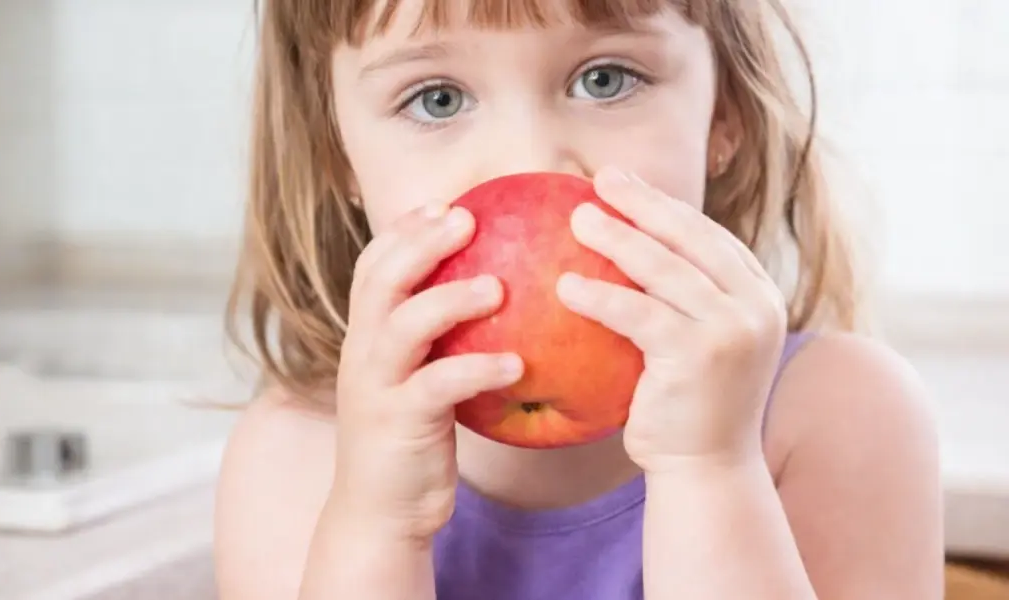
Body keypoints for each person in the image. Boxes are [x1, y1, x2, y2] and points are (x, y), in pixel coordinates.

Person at [214, 0, 944, 598]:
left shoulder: (839, 417)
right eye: (437, 99)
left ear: (726, 117)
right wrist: (377, 523)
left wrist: (710, 470)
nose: (530, 160)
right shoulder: (295, 455)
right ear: (337, 152)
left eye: (606, 79)